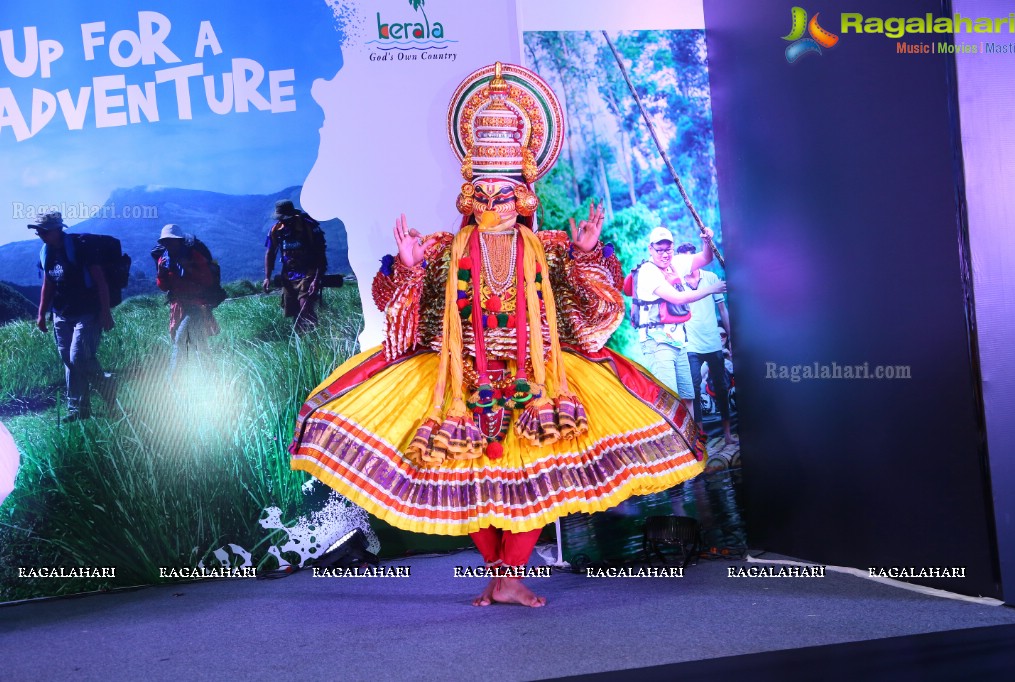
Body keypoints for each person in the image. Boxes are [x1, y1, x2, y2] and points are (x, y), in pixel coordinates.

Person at [289, 63, 707, 608]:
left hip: (539, 379)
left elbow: (596, 316)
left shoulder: (553, 248)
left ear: (523, 196)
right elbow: (403, 322)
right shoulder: (442, 249)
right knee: (465, 479)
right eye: (482, 195)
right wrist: (411, 269)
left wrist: (583, 258)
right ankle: (502, 575)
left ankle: (509, 576)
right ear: (469, 194)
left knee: (537, 481)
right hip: (458, 380)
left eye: (504, 195)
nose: (492, 206)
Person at [634, 227, 726, 417]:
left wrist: (707, 241)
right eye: (659, 249)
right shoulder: (647, 271)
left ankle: (692, 445)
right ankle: (675, 445)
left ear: (673, 248)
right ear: (650, 249)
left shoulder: (675, 263)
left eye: (668, 248)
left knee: (688, 397)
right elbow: (677, 298)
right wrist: (711, 289)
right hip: (657, 342)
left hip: (678, 342)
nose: (664, 253)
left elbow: (705, 258)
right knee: (670, 398)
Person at [32, 212, 114, 421]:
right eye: (38, 230)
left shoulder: (81, 247)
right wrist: (41, 313)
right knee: (68, 360)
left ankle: (108, 388)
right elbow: (48, 284)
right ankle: (78, 409)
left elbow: (101, 282)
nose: (39, 234)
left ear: (57, 229)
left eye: (43, 230)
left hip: (87, 312)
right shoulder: (46, 252)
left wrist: (105, 312)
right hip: (60, 314)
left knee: (79, 357)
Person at [678, 243, 737, 444]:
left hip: (713, 343)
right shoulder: (678, 285)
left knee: (721, 387)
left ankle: (728, 435)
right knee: (693, 389)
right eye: (683, 259)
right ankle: (701, 439)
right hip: (691, 345)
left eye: (690, 257)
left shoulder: (710, 279)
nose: (688, 263)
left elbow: (723, 311)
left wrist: (730, 339)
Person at [152, 224, 221, 378]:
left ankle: (172, 379)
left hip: (196, 306)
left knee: (180, 340)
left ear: (180, 241)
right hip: (178, 306)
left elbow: (207, 279)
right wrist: (161, 274)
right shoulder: (164, 260)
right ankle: (212, 376)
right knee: (199, 344)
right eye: (165, 241)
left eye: (171, 240)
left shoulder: (194, 256)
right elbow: (163, 286)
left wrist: (188, 270)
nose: (168, 244)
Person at [263, 200, 327, 331]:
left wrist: (316, 279)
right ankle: (301, 341)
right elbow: (270, 253)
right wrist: (267, 277)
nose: (283, 220)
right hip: (289, 275)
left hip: (309, 272)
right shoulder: (276, 230)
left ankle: (315, 338)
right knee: (294, 312)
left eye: (284, 217)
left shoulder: (308, 226)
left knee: (306, 308)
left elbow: (320, 252)